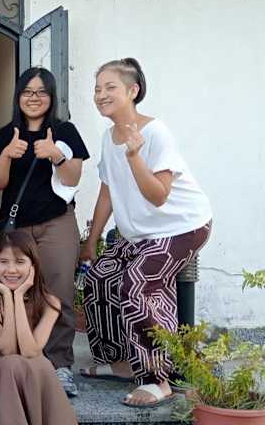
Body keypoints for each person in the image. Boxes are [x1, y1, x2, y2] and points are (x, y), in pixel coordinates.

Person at [79, 58, 212, 408]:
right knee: (99, 279)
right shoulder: (108, 137)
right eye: (97, 89)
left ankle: (157, 378)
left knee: (138, 283)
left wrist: (135, 156)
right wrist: (92, 240)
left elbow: (159, 195)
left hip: (182, 227)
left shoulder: (156, 132)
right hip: (140, 234)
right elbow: (107, 190)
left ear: (132, 91)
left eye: (110, 87)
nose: (101, 95)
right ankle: (122, 362)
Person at [0, 67, 90, 396]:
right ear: (18, 96)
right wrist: (6, 155)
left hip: (56, 221)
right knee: (17, 292)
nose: (34, 98)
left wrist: (56, 155)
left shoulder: (64, 131)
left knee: (58, 292)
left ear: (52, 96)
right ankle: (20, 363)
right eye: (27, 91)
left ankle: (59, 366)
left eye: (42, 92)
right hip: (17, 228)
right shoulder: (5, 134)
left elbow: (73, 177)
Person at [0, 230, 77, 424]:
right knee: (12, 363)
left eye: (20, 262)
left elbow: (29, 350)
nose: (11, 270)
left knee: (42, 363)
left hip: (29, 378)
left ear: (33, 265)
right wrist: (6, 295)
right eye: (3, 262)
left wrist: (18, 297)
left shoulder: (50, 302)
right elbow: (7, 348)